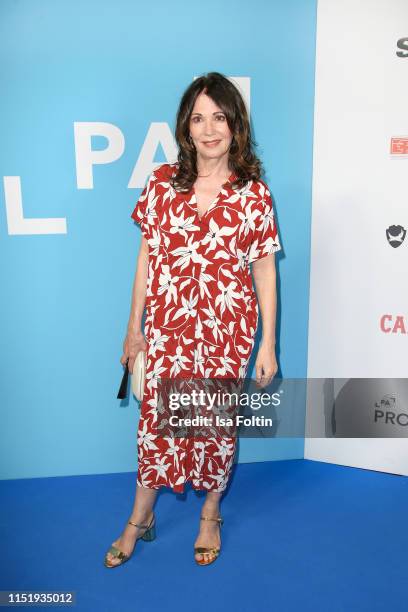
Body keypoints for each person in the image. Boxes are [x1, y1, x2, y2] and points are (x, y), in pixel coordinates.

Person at [104, 71, 282, 568]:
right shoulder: (162, 182)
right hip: (167, 329)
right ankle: (140, 516)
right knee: (156, 427)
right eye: (198, 118)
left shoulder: (254, 195)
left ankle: (210, 512)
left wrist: (268, 343)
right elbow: (146, 256)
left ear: (235, 125)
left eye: (219, 117)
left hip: (225, 330)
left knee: (213, 429)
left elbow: (264, 268)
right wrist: (133, 327)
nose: (209, 129)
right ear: (185, 127)